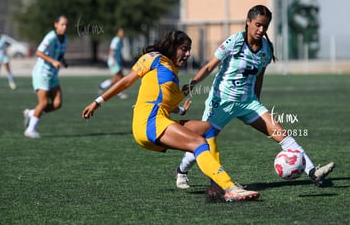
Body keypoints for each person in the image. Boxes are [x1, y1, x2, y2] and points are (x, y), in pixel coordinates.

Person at [82, 30, 260, 202]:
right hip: (149, 122)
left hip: (159, 120)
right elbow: (126, 81)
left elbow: (165, 100)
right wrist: (98, 102)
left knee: (207, 129)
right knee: (198, 143)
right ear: (172, 46)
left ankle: (216, 184)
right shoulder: (154, 58)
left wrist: (181, 110)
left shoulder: (172, 73)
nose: (188, 53)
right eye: (184, 48)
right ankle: (229, 187)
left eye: (189, 49)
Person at [175, 5, 335, 191]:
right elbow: (210, 67)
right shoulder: (234, 41)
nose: (261, 30)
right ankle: (182, 171)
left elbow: (259, 76)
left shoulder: (267, 49)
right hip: (222, 102)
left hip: (248, 103)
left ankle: (312, 172)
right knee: (203, 139)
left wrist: (257, 103)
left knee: (280, 133)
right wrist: (191, 85)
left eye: (265, 26)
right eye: (258, 25)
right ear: (248, 22)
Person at [23, 15, 69, 139]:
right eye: (62, 24)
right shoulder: (51, 37)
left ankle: (32, 113)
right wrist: (53, 61)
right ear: (56, 24)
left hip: (53, 75)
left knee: (57, 104)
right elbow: (38, 52)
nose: (64, 27)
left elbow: (59, 55)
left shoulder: (65, 38)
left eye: (66, 25)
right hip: (42, 73)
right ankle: (30, 130)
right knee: (43, 103)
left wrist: (63, 61)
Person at [98, 28, 127, 99]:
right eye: (121, 32)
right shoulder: (116, 40)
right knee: (119, 78)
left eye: (123, 32)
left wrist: (121, 59)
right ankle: (119, 93)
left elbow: (119, 52)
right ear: (118, 33)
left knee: (118, 78)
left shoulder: (120, 41)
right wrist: (113, 60)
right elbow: (111, 50)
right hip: (114, 61)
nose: (122, 34)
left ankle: (102, 86)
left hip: (117, 61)